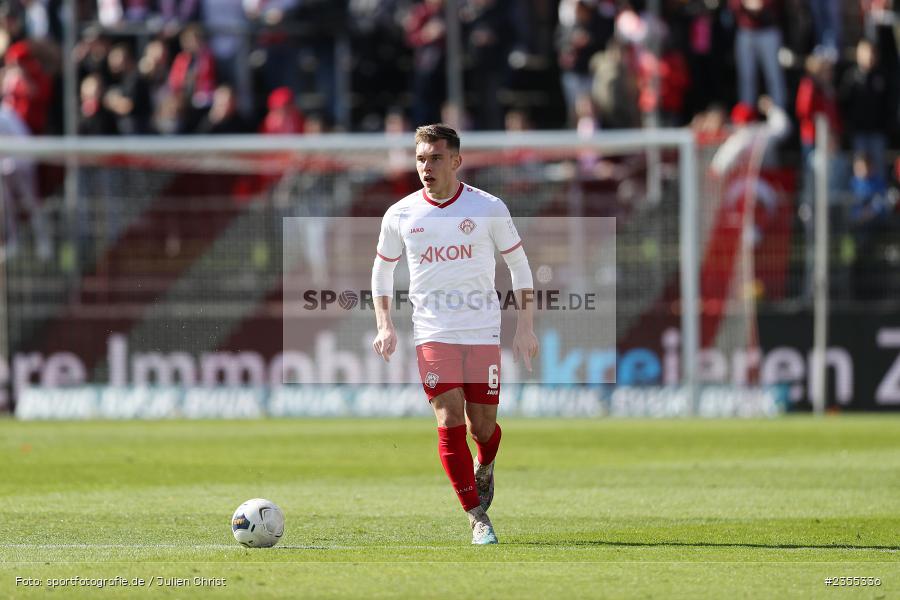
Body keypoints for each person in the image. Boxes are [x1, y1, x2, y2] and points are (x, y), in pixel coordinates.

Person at [370, 124, 538, 545]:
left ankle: (486, 459)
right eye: (421, 159)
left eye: (436, 158)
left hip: (482, 331)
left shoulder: (488, 208)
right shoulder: (401, 214)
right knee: (448, 420)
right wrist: (385, 324)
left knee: (482, 427)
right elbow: (382, 271)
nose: (426, 167)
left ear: (457, 161)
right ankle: (476, 516)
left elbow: (519, 267)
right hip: (433, 332)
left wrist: (526, 328)